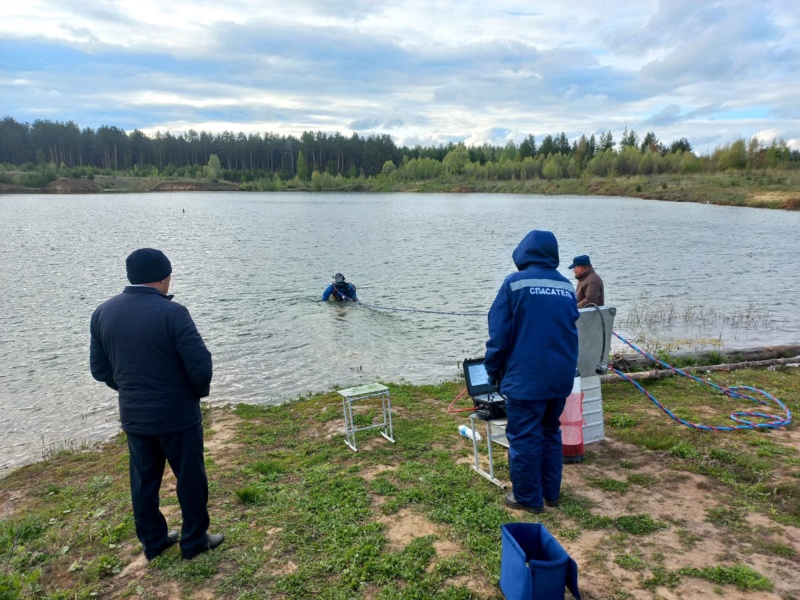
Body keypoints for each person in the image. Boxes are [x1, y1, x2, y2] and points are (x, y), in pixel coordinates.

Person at [90, 248, 224, 560]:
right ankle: (194, 542)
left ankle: (154, 542)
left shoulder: (102, 313)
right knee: (190, 478)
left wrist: (128, 389)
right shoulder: (173, 312)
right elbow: (200, 365)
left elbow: (100, 370)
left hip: (135, 415)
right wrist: (195, 393)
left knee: (143, 481)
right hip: (178, 415)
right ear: (164, 278)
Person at [485, 230, 579, 513]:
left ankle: (527, 497)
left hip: (526, 377)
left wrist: (492, 369)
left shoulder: (514, 283)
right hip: (561, 376)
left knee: (524, 435)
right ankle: (551, 493)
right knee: (550, 431)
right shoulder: (566, 286)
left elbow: (499, 333)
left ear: (522, 252)